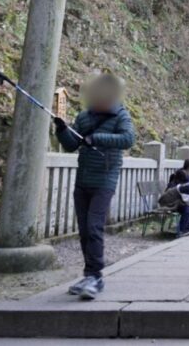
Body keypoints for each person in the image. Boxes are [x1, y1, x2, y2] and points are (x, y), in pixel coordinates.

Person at [53, 73, 135, 301]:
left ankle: (96, 276)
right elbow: (72, 145)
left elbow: (128, 139)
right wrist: (62, 130)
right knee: (84, 229)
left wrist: (97, 138)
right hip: (83, 179)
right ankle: (88, 275)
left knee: (94, 226)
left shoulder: (121, 115)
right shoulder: (84, 117)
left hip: (105, 179)